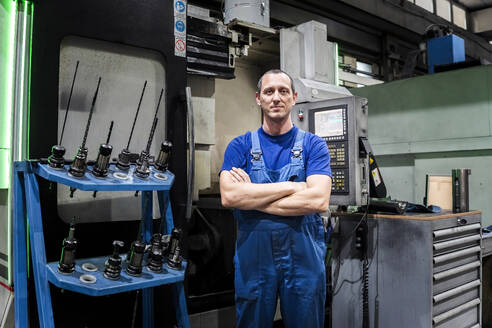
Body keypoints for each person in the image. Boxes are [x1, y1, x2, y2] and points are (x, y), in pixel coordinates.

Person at [219, 69, 332, 327]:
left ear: (293, 98)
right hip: (254, 257)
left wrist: (253, 199)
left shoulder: (314, 146)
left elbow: (318, 201)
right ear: (258, 98)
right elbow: (229, 196)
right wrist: (294, 187)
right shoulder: (240, 146)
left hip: (303, 257)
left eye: (283, 91)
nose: (276, 97)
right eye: (269, 92)